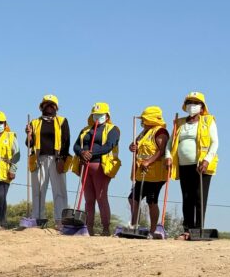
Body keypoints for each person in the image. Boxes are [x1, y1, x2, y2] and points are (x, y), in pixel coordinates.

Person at [165, 92, 219, 240]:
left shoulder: (208, 121)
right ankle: (187, 230)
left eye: (195, 103)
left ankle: (198, 229)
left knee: (199, 197)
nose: (192, 105)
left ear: (202, 107)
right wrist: (168, 156)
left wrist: (207, 160)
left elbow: (215, 142)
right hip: (183, 165)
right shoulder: (179, 123)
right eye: (189, 102)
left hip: (201, 165)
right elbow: (170, 143)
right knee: (187, 197)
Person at [72, 102, 121, 236]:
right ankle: (88, 228)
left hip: (101, 166)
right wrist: (82, 152)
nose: (98, 117)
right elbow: (76, 146)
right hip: (84, 166)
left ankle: (106, 228)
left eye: (101, 115)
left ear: (107, 115)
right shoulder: (85, 130)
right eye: (95, 115)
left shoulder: (113, 129)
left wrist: (91, 153)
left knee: (101, 197)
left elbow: (109, 146)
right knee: (89, 199)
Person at [25, 94, 71, 228]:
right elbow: (29, 144)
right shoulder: (34, 123)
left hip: (57, 159)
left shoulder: (62, 121)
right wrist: (28, 134)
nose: (49, 107)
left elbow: (66, 141)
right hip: (39, 159)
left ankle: (60, 221)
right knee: (38, 190)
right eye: (46, 104)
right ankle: (38, 219)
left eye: (52, 104)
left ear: (56, 107)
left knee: (59, 191)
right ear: (42, 106)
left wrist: (62, 159)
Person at [128, 106, 169, 236]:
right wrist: (132, 146)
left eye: (145, 119)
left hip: (155, 174)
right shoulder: (143, 132)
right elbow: (137, 146)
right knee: (133, 198)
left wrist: (149, 161)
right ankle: (134, 225)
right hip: (142, 173)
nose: (143, 122)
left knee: (152, 201)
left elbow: (161, 151)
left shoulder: (160, 132)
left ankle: (153, 230)